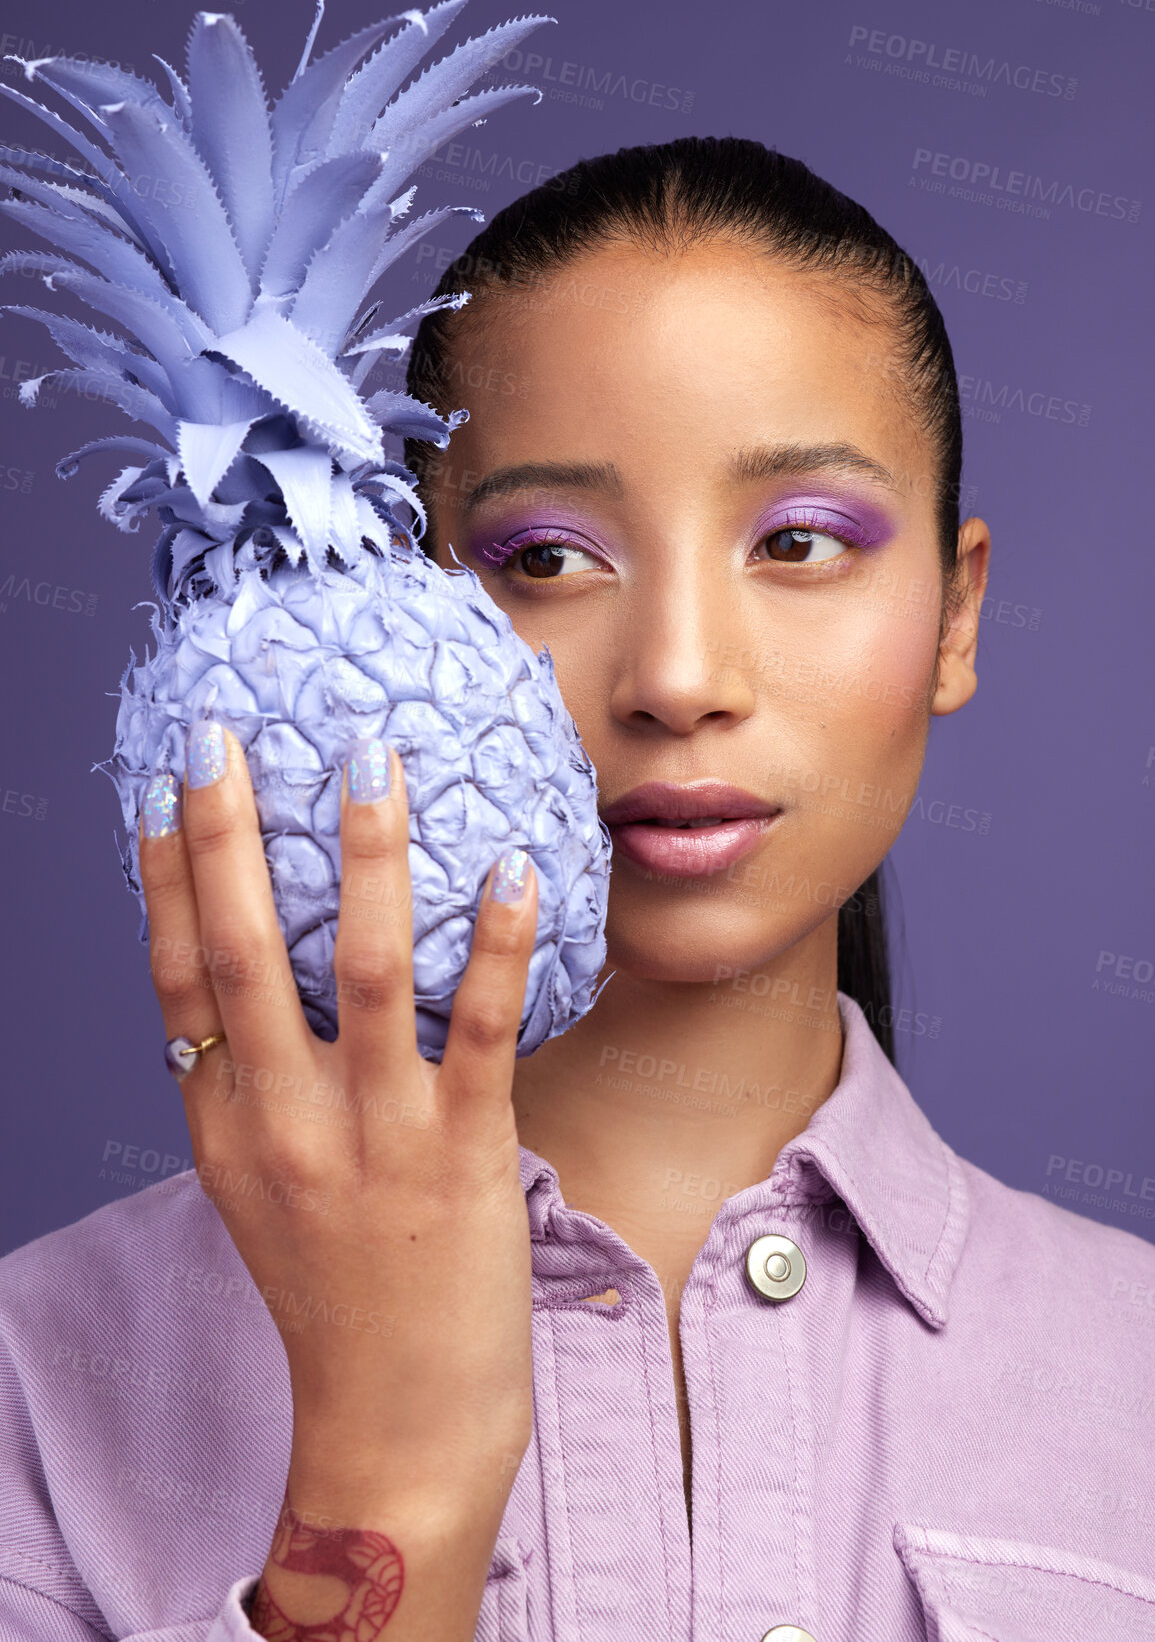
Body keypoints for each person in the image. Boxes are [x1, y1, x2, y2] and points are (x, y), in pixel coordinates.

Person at [2, 136, 1153, 1642]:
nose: (678, 678)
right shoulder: (45, 1383)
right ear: (409, 610)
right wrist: (391, 1472)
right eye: (548, 556)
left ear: (955, 611)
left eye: (799, 541)